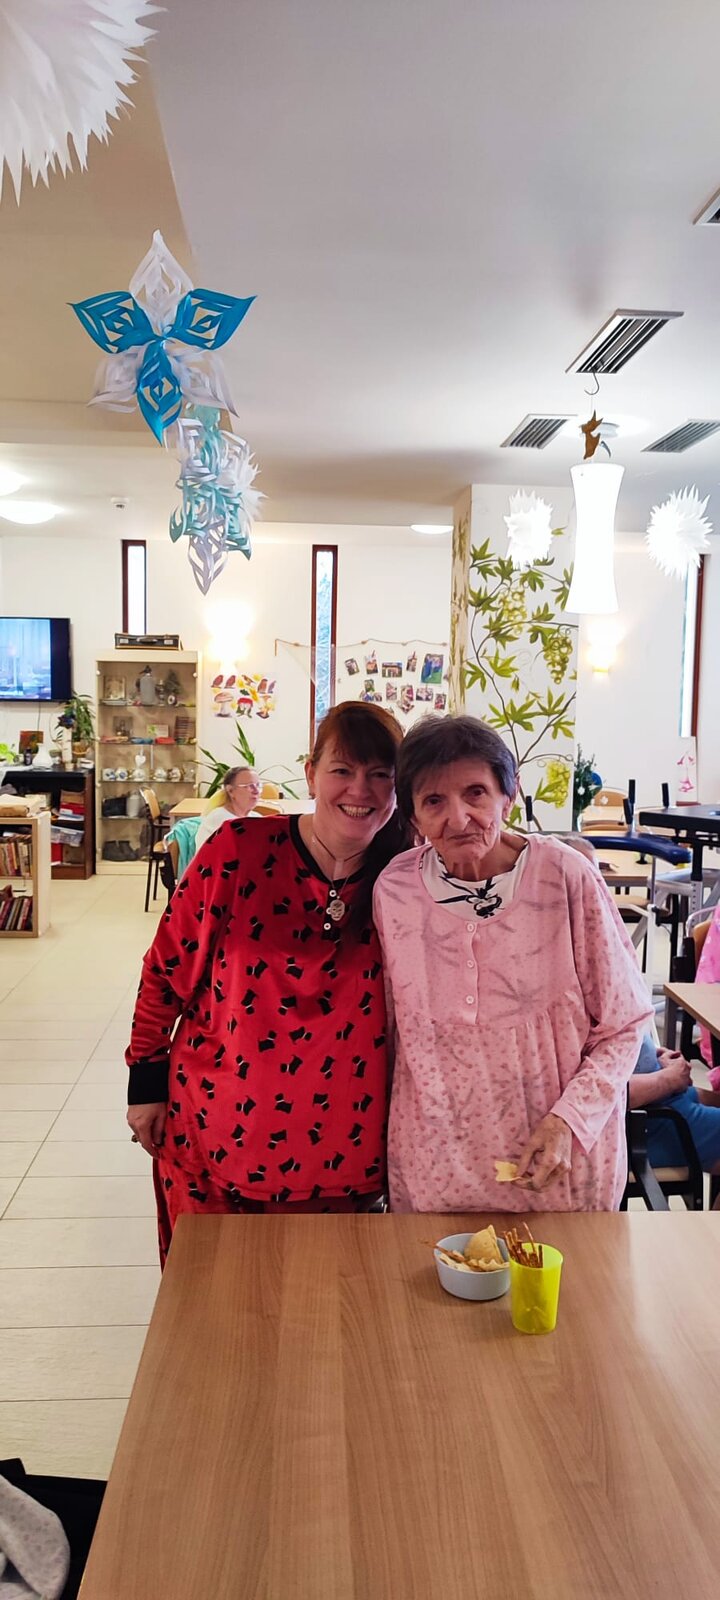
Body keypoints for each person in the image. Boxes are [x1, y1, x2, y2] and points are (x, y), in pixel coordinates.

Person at [126, 703, 405, 1264]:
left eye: (380, 774)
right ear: (311, 774)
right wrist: (145, 1084)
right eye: (343, 770)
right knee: (214, 1303)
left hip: (346, 1159)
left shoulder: (408, 878)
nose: (360, 790)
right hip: (213, 1135)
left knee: (321, 1306)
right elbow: (165, 971)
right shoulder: (237, 850)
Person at [373, 714, 653, 1213]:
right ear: (412, 815)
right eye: (434, 800)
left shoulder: (564, 876)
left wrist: (570, 1121)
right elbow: (394, 1031)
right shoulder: (394, 891)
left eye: (475, 793)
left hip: (559, 1171)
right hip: (434, 1173)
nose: (458, 818)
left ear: (509, 794)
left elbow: (625, 1022)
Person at [630, 1034, 720, 1176]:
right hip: (650, 1119)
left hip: (662, 1096)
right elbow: (601, 1094)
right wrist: (670, 1078)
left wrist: (655, 1053)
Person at [193, 765, 263, 852]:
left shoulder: (257, 817)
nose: (256, 791)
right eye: (249, 786)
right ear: (230, 791)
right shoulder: (220, 820)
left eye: (258, 785)